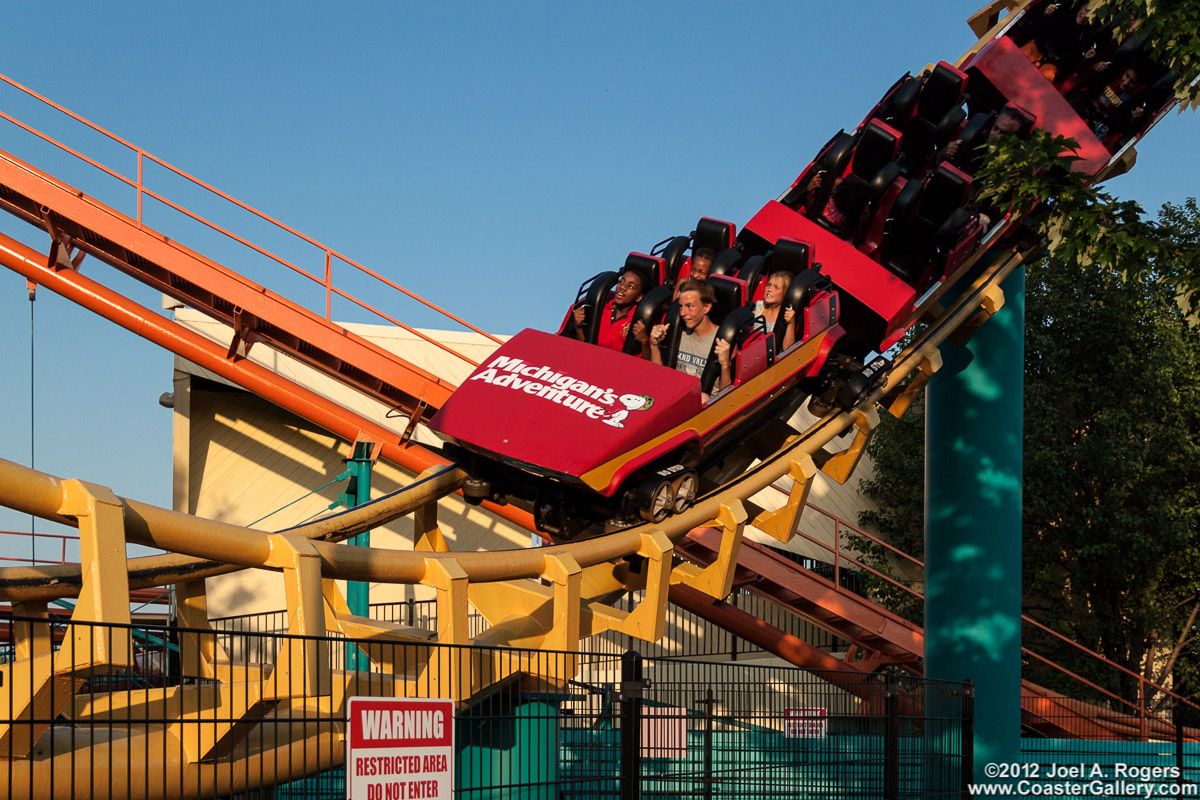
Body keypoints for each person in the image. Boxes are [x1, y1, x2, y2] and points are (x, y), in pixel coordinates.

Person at [638, 278, 732, 396]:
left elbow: (726, 396)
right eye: (681, 307)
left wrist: (725, 365)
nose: (683, 313)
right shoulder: (676, 332)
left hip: (704, 404)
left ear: (706, 307)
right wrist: (654, 344)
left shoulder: (722, 340)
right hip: (673, 393)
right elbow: (658, 377)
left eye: (690, 306)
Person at [573, 268, 645, 353]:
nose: (622, 287)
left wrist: (644, 341)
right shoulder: (599, 307)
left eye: (630, 286)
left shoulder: (638, 320)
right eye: (621, 282)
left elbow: (648, 363)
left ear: (638, 297)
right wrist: (578, 326)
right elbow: (583, 349)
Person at [1068, 65, 1145, 141]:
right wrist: (1095, 66)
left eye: (1132, 82)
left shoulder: (1131, 103)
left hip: (1096, 126)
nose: (1126, 83)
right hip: (1082, 109)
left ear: (1137, 86)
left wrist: (1133, 118)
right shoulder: (1111, 76)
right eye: (1127, 76)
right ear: (1124, 71)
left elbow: (1121, 126)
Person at [753, 271, 798, 350]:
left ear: (786, 294)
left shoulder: (786, 314)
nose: (770, 289)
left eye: (776, 287)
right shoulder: (757, 307)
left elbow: (787, 349)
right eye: (769, 285)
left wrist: (791, 323)